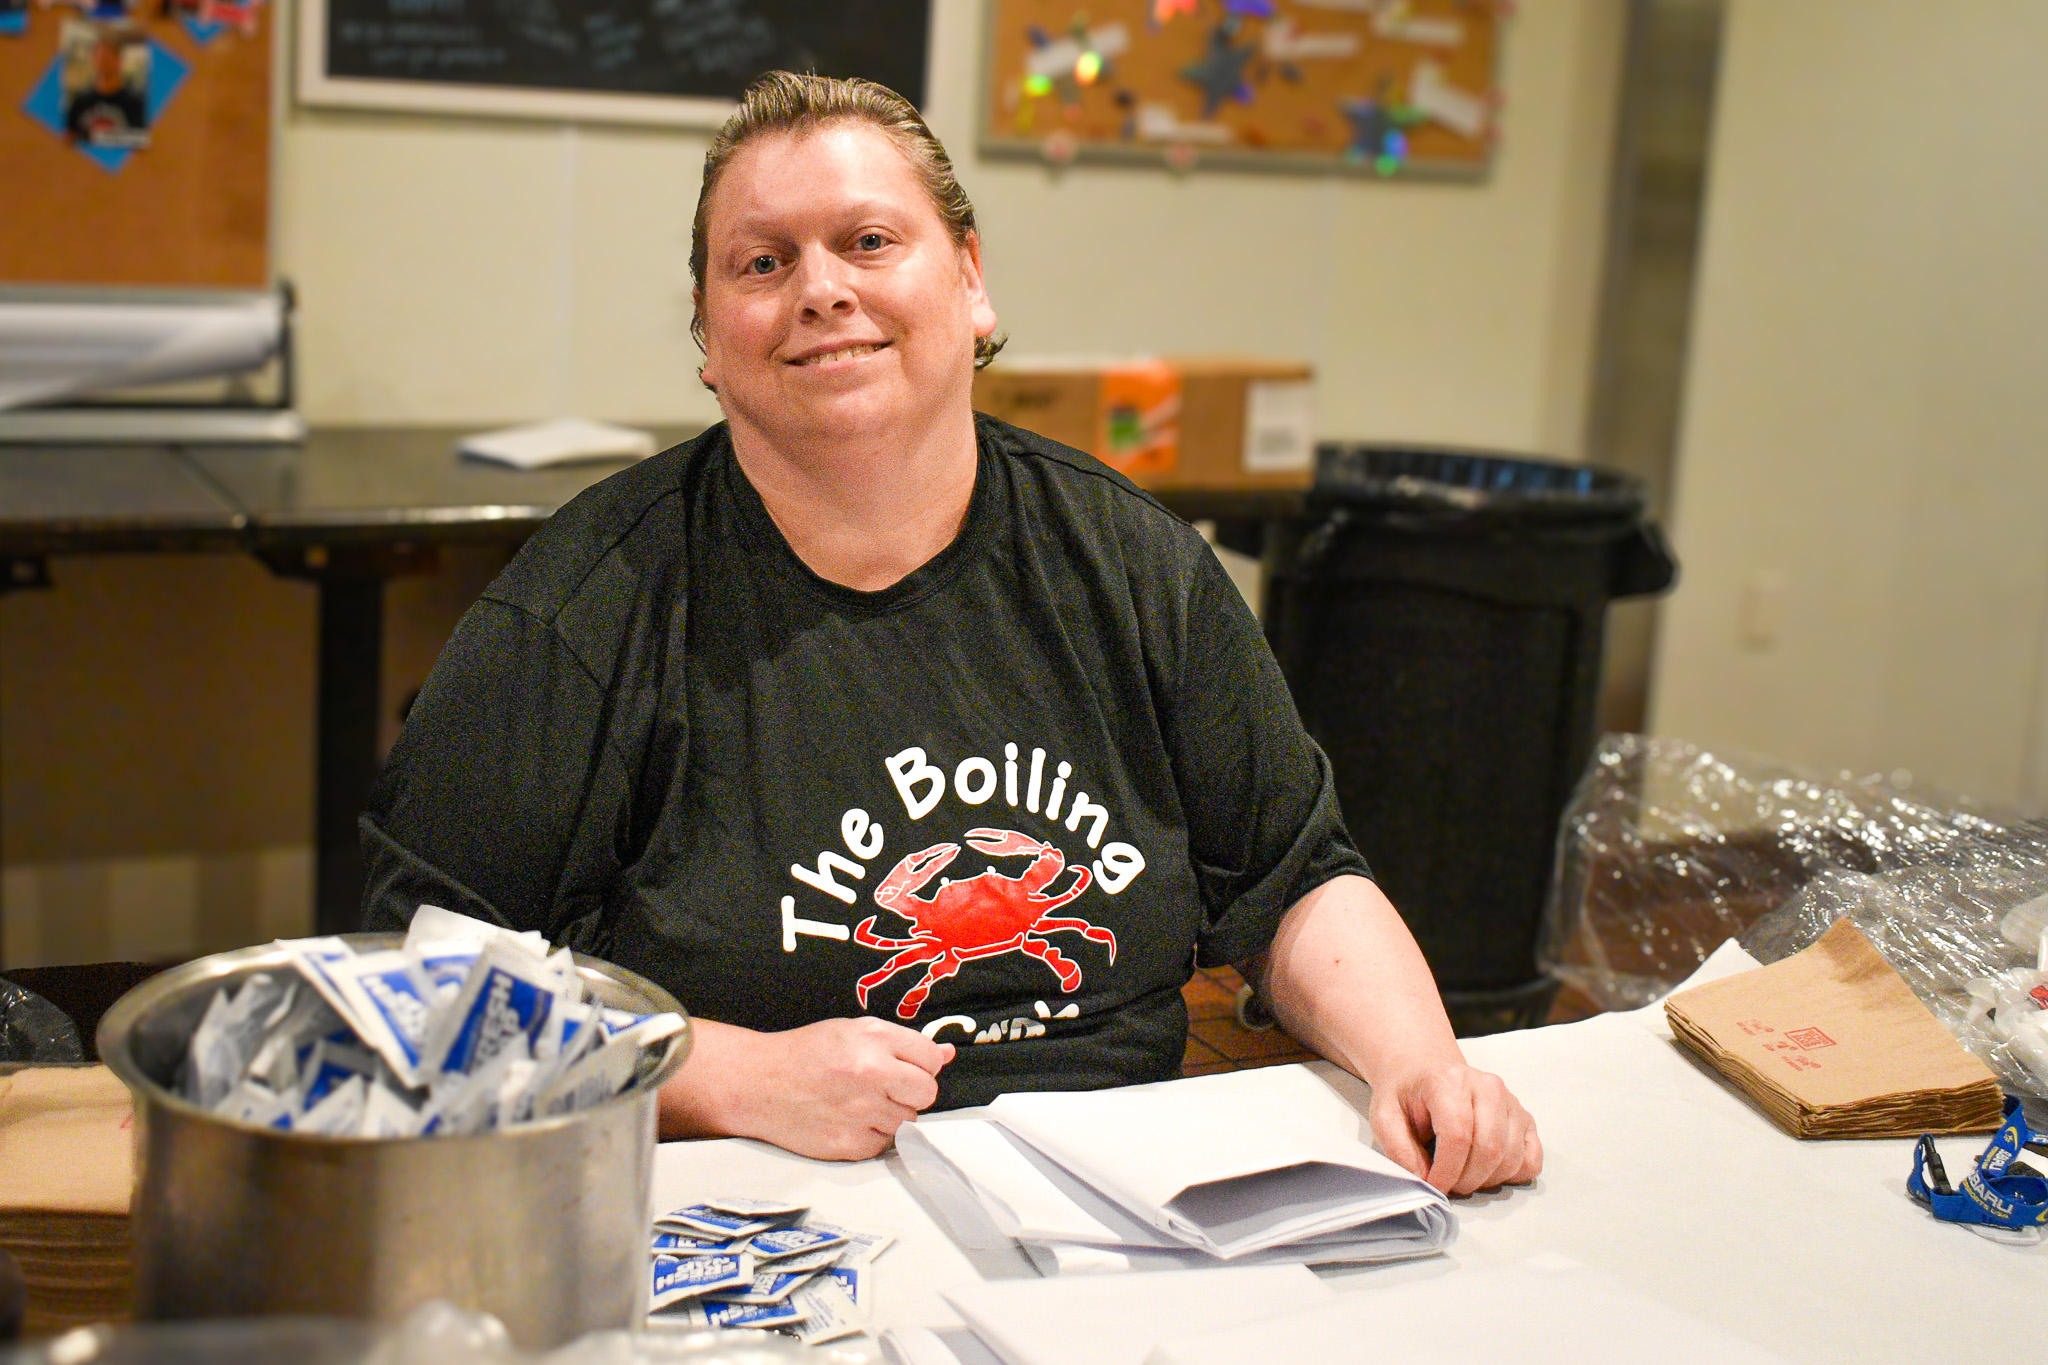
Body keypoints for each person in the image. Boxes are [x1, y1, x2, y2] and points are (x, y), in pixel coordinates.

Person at [362, 72, 1541, 1196]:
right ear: (708, 339)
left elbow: (1295, 880)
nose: (821, 290)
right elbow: (421, 979)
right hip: (753, 1201)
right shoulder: (581, 607)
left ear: (971, 283)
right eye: (762, 262)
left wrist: (1419, 1063)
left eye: (868, 241)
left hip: (1128, 1189)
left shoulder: (1132, 563)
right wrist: (730, 1077)